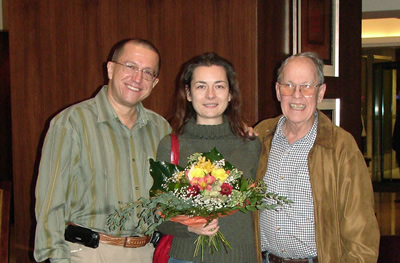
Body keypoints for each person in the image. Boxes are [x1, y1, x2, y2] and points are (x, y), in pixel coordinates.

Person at [34, 38, 172, 263]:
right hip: (88, 255)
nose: (137, 78)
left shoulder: (161, 129)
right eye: (130, 67)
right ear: (110, 68)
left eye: (148, 72)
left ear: (154, 82)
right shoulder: (71, 123)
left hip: (147, 254)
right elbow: (50, 203)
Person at [254, 52, 380, 263]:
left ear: (321, 93)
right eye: (289, 85)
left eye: (307, 86)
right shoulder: (260, 137)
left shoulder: (341, 147)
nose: (297, 95)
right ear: (278, 91)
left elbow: (362, 233)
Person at [156, 52, 262, 263]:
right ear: (188, 93)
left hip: (241, 259)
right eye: (201, 86)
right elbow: (158, 216)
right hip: (187, 258)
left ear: (231, 94)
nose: (210, 95)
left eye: (219, 86)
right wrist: (190, 227)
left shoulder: (251, 144)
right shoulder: (171, 145)